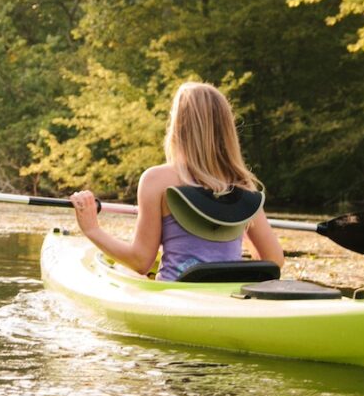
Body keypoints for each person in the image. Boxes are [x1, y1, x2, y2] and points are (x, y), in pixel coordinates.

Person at [70, 82, 283, 281]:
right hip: (226, 297)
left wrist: (92, 229)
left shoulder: (157, 180)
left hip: (177, 295)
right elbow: (274, 261)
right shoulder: (242, 184)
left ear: (178, 126)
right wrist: (231, 226)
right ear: (227, 129)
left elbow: (140, 261)